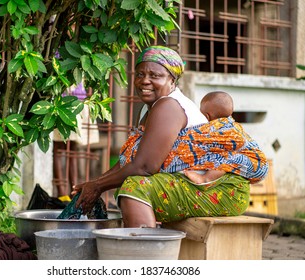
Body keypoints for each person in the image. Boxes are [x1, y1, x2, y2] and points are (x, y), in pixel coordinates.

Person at [72, 46, 268, 228]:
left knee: (134, 188)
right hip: (196, 185)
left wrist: (97, 186)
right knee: (128, 185)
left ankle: (150, 257)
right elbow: (131, 160)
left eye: (154, 75)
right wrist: (94, 184)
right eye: (140, 74)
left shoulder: (168, 106)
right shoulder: (150, 108)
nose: (144, 80)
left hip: (222, 189)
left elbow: (145, 167)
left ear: (172, 80)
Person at [184, 91, 233, 184]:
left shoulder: (219, 131)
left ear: (207, 116)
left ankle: (205, 179)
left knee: (226, 158)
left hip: (233, 157)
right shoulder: (231, 125)